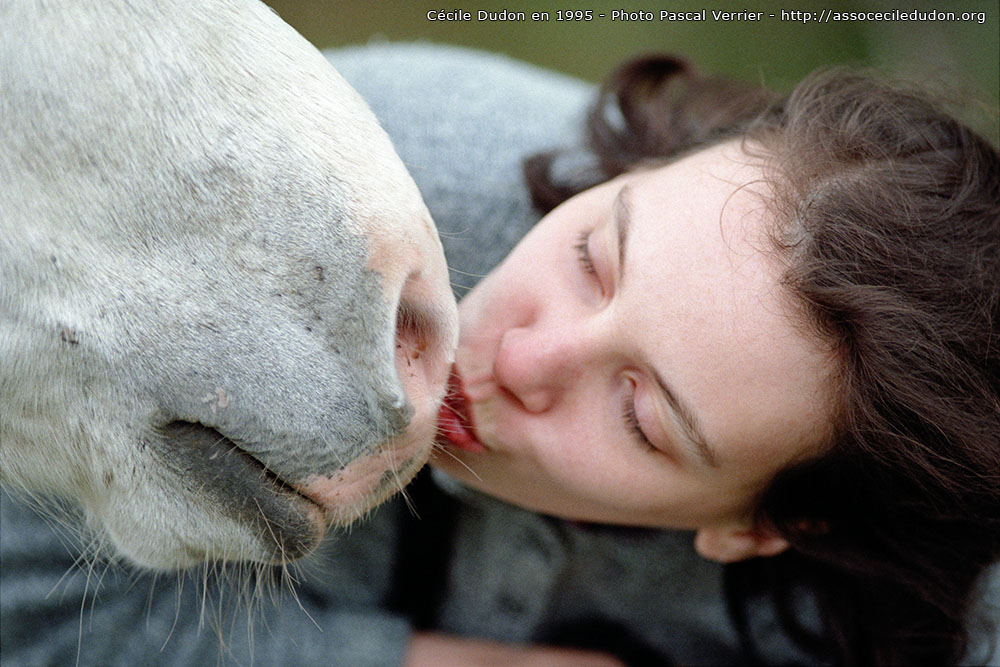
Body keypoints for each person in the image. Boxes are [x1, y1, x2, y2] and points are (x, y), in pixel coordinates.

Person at [1, 43, 997, 666]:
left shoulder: (945, 605)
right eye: (591, 255)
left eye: (640, 416)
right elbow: (30, 613)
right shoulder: (345, 209)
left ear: (768, 527)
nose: (521, 353)